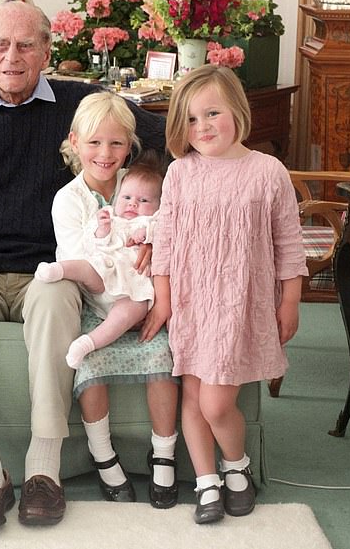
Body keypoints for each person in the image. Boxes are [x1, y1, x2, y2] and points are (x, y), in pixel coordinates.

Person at [0, 0, 168, 535]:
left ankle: (43, 469)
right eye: (1, 45)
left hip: (46, 274)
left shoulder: (80, 106)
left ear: (47, 52)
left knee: (56, 296)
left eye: (26, 45)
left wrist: (158, 217)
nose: (13, 56)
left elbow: (163, 139)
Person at [141, 64, 307, 524]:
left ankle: (237, 465)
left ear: (237, 109)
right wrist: (165, 299)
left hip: (240, 304)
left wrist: (289, 300)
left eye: (212, 113)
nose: (203, 127)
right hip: (194, 303)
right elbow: (167, 244)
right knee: (192, 400)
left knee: (216, 402)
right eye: (191, 119)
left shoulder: (267, 171)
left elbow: (288, 243)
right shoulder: (180, 173)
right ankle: (208, 481)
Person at [34, 92, 179, 508]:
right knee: (89, 368)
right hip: (97, 304)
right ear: (75, 143)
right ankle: (104, 457)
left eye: (116, 144)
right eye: (95, 143)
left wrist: (155, 243)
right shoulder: (70, 200)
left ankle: (164, 456)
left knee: (162, 360)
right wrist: (111, 236)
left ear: (129, 146)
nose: (105, 154)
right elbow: (77, 258)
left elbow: (168, 224)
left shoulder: (140, 186)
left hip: (143, 299)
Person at [36, 128, 165, 369]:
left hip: (134, 287)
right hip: (102, 276)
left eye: (144, 201)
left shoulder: (149, 212)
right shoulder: (107, 213)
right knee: (86, 267)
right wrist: (102, 231)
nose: (133, 203)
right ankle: (57, 270)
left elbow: (169, 231)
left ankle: (87, 343)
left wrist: (149, 239)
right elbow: (93, 244)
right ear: (75, 142)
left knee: (130, 310)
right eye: (94, 142)